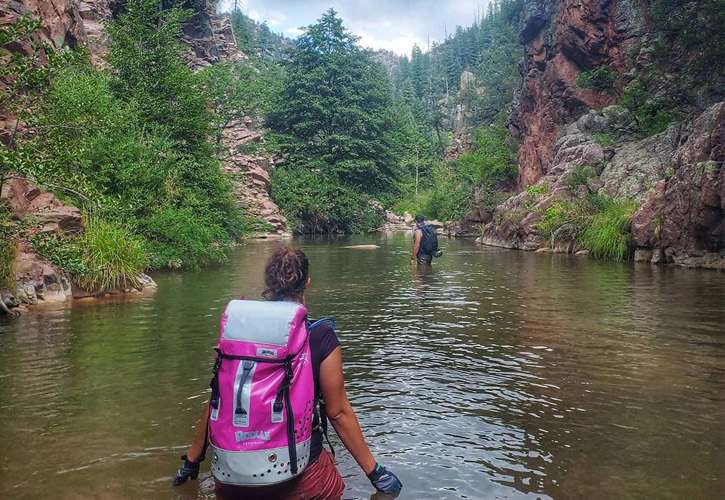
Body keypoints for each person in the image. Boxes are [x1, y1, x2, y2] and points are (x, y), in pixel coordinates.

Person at [172, 246, 403, 499]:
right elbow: (337, 412)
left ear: (269, 283)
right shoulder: (319, 337)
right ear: (307, 284)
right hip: (300, 480)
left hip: (231, 480)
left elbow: (218, 398)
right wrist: (375, 472)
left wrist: (192, 460)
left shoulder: (239, 336)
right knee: (330, 483)